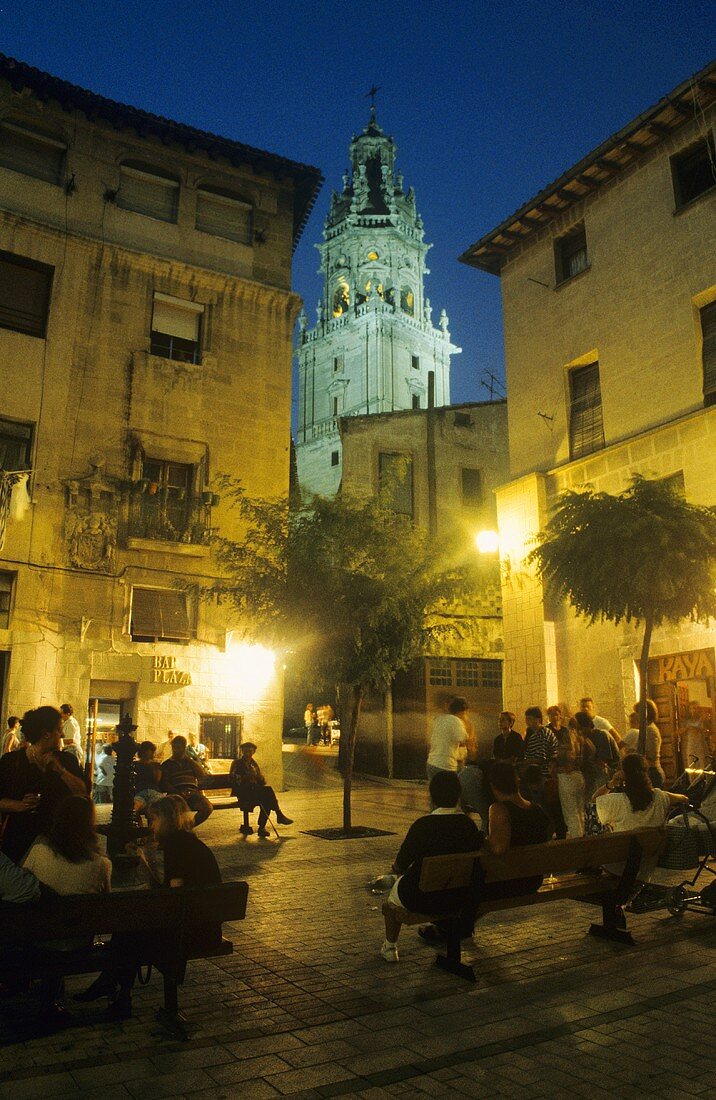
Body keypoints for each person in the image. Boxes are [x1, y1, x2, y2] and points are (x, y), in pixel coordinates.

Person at [76, 794, 222, 1019]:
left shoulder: (177, 846)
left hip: (191, 929)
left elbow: (175, 894)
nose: (151, 826)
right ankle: (116, 990)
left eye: (153, 820)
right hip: (202, 922)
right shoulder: (187, 842)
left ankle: (114, 987)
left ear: (165, 819)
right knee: (131, 931)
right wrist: (145, 860)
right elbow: (172, 890)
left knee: (130, 933)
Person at [380, 771, 483, 963]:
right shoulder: (468, 825)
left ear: (432, 796)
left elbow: (400, 864)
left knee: (390, 902)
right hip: (458, 896)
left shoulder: (423, 825)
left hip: (422, 898)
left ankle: (390, 947)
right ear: (458, 797)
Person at [0, 706, 87, 864]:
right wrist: (20, 805)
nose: (61, 734)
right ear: (46, 734)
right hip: (19, 841)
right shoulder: (11, 762)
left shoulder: (67, 760)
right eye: (58, 730)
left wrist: (61, 771)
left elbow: (83, 793)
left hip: (59, 845)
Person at [594, 754, 688, 879]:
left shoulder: (617, 801)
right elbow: (684, 799)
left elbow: (595, 798)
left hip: (620, 865)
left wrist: (611, 783)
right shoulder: (660, 797)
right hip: (648, 864)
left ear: (624, 774)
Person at [481, 761, 552, 899]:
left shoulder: (499, 809)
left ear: (493, 786)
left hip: (508, 881)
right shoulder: (538, 810)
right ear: (517, 781)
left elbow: (498, 848)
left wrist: (482, 841)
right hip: (533, 879)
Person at [23, 796, 111, 896]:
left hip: (42, 911)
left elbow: (21, 884)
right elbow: (106, 903)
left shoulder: (38, 851)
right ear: (89, 825)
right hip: (79, 911)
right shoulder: (101, 865)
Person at [229, 742, 293, 835]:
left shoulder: (253, 763)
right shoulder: (237, 763)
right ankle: (278, 815)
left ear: (254, 752)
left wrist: (260, 779)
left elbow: (260, 780)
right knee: (268, 792)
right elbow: (233, 778)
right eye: (246, 751)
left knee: (267, 801)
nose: (248, 753)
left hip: (254, 791)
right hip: (243, 792)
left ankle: (262, 827)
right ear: (242, 751)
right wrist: (246, 778)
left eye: (250, 751)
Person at [160, 734, 213, 825]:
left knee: (208, 807)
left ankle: (188, 826)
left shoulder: (190, 762)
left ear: (184, 748)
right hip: (175, 794)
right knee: (172, 812)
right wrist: (177, 792)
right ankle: (178, 830)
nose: (175, 750)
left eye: (178, 747)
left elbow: (201, 774)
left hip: (192, 793)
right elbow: (164, 783)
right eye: (174, 747)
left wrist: (191, 761)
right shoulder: (167, 764)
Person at [553, 723, 589, 837]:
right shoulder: (581, 741)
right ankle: (583, 835)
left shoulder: (567, 742)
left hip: (567, 777)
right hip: (579, 775)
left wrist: (557, 767)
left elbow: (567, 760)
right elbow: (591, 751)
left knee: (571, 812)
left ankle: (577, 839)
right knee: (580, 810)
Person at [426, 697, 469, 781]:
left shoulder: (438, 719)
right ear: (463, 711)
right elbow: (463, 740)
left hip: (431, 763)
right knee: (448, 792)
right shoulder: (456, 721)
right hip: (446, 766)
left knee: (435, 792)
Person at [522, 707, 558, 806]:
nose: (527, 721)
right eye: (526, 719)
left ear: (538, 719)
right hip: (534, 774)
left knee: (542, 804)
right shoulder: (533, 736)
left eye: (530, 718)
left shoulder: (544, 733)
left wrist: (522, 763)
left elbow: (540, 758)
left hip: (543, 774)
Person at [133, 740, 164, 817]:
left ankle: (153, 827)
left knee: (155, 807)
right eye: (146, 750)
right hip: (140, 792)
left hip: (154, 791)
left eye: (149, 750)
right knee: (135, 806)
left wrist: (152, 767)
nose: (147, 753)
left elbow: (157, 780)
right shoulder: (135, 765)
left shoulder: (156, 765)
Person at [679, 701, 712, 770]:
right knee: (691, 764)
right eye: (693, 708)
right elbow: (679, 732)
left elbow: (709, 731)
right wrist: (687, 728)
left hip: (700, 745)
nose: (694, 710)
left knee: (702, 764)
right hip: (691, 745)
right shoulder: (686, 721)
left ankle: (703, 780)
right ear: (689, 709)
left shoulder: (702, 719)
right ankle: (693, 780)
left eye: (696, 708)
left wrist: (701, 730)